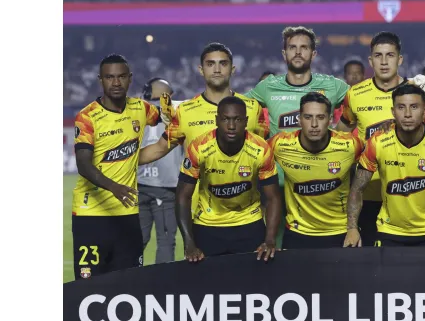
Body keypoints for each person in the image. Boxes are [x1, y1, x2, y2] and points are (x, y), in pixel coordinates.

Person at [335, 31, 425, 245]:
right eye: (378, 56)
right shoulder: (355, 94)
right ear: (370, 60)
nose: (384, 62)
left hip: (415, 194)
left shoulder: (418, 92)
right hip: (369, 193)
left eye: (390, 55)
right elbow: (340, 137)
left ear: (400, 59)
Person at [344, 84, 425, 248]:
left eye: (414, 107)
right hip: (389, 231)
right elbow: (357, 188)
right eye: (401, 107)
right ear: (393, 112)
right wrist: (351, 228)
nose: (407, 114)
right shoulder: (377, 142)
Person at [72, 54, 162, 280]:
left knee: (129, 283)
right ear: (100, 80)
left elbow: (167, 115)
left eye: (121, 76)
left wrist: (168, 101)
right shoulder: (87, 116)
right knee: (88, 287)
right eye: (109, 77)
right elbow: (83, 164)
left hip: (128, 213)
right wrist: (114, 187)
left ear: (130, 79)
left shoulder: (141, 109)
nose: (115, 82)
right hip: (91, 214)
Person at [176, 97, 282, 262]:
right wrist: (189, 242)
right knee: (207, 286)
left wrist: (270, 239)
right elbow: (183, 195)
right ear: (217, 120)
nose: (231, 126)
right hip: (208, 225)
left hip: (249, 224)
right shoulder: (199, 147)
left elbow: (273, 197)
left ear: (246, 121)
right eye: (225, 119)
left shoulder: (260, 149)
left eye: (238, 120)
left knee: (252, 285)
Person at [269, 92, 363, 249]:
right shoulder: (280, 144)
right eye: (308, 117)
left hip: (340, 232)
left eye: (320, 117)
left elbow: (379, 156)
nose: (314, 124)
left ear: (330, 119)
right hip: (297, 233)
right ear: (299, 119)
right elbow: (250, 153)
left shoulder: (350, 145)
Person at [138, 78, 183, 264]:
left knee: (137, 240)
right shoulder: (177, 110)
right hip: (165, 187)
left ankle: (125, 280)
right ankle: (161, 285)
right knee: (165, 241)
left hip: (139, 184)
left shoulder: (138, 109)